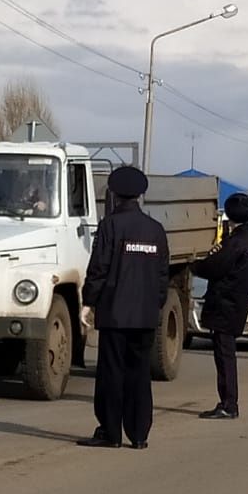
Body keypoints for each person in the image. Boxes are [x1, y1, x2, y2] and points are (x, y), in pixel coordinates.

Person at [78, 166, 169, 449]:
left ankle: (110, 432)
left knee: (112, 374)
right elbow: (162, 275)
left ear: (114, 194)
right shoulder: (155, 230)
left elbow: (99, 268)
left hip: (115, 315)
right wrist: (155, 305)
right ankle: (139, 434)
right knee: (140, 374)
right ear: (141, 195)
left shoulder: (110, 226)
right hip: (145, 316)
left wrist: (88, 302)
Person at [190, 192, 248, 421]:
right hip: (239, 305)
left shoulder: (235, 243)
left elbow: (213, 267)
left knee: (224, 357)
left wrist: (194, 265)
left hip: (224, 305)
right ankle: (229, 402)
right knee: (227, 356)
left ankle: (229, 404)